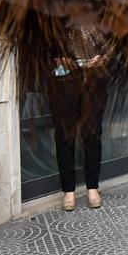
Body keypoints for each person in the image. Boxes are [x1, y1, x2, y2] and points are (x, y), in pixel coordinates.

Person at [52, 27, 108, 210]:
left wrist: (105, 57)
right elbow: (43, 45)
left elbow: (115, 43)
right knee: (65, 135)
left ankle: (92, 188)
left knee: (92, 133)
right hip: (65, 81)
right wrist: (57, 58)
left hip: (95, 79)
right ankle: (68, 191)